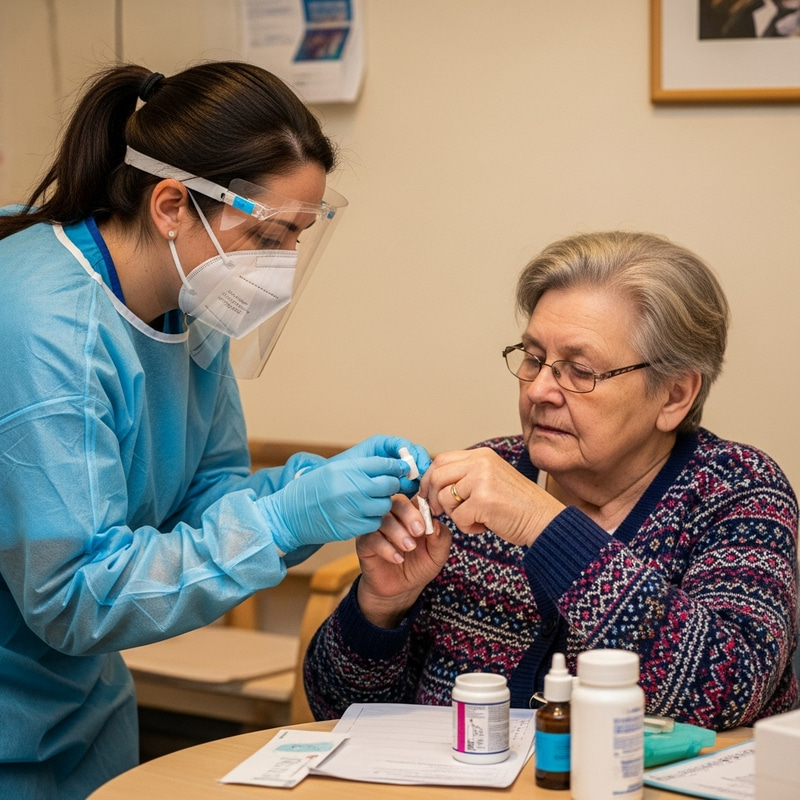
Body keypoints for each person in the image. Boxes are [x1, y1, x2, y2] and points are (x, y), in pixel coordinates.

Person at [0, 62, 430, 800]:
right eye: (266, 233)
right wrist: (284, 517)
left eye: (296, 236)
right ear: (170, 204)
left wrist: (308, 495)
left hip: (83, 706)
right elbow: (76, 593)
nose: (281, 265)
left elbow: (209, 499)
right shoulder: (43, 328)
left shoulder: (190, 306)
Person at [304, 230, 799, 732]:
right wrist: (381, 609)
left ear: (674, 395)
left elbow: (728, 688)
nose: (539, 389)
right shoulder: (477, 479)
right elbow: (336, 709)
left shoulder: (737, 490)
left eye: (579, 371)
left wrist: (542, 523)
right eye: (534, 358)